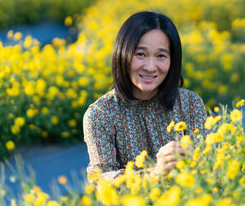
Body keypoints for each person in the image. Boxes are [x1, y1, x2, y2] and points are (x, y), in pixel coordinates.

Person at [83, 11, 207, 182]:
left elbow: (207, 165)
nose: (150, 67)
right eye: (140, 54)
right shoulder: (100, 114)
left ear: (173, 60)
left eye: (161, 56)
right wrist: (155, 173)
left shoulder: (190, 103)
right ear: (122, 54)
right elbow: (101, 181)